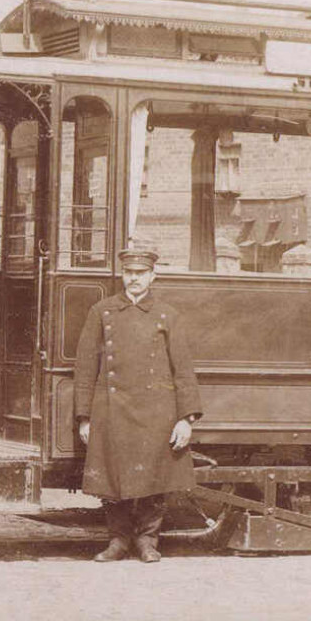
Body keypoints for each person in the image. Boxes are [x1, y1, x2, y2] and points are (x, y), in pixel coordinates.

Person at [74, 241, 203, 563]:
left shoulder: (167, 315)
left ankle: (148, 541)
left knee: (154, 478)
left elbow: (183, 368)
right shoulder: (101, 312)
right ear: (122, 275)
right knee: (111, 478)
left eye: (141, 273)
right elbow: (85, 366)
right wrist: (84, 417)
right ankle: (118, 540)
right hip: (111, 408)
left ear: (153, 276)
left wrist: (186, 418)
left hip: (157, 410)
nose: (134, 279)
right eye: (129, 273)